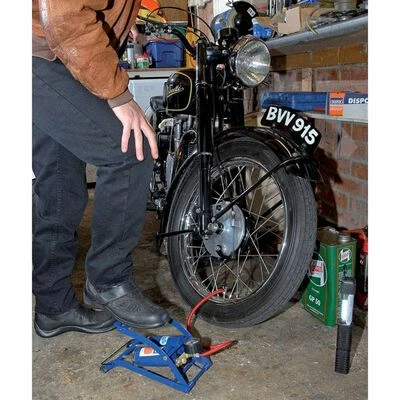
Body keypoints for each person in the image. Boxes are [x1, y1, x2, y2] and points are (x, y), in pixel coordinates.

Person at [32, 0, 170, 338]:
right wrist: (117, 94)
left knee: (59, 187)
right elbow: (64, 15)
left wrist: (122, 21)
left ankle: (53, 307)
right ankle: (109, 281)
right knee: (132, 152)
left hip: (40, 51)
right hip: (43, 54)